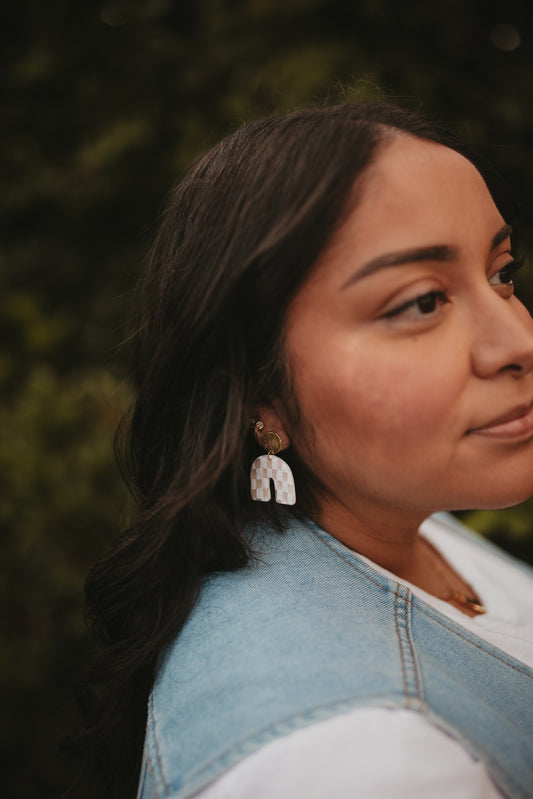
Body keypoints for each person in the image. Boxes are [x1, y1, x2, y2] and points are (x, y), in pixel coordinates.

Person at [76, 102, 533, 799]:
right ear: (262, 395)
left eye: (501, 274)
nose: (519, 342)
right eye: (419, 302)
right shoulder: (358, 763)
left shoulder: (396, 517)